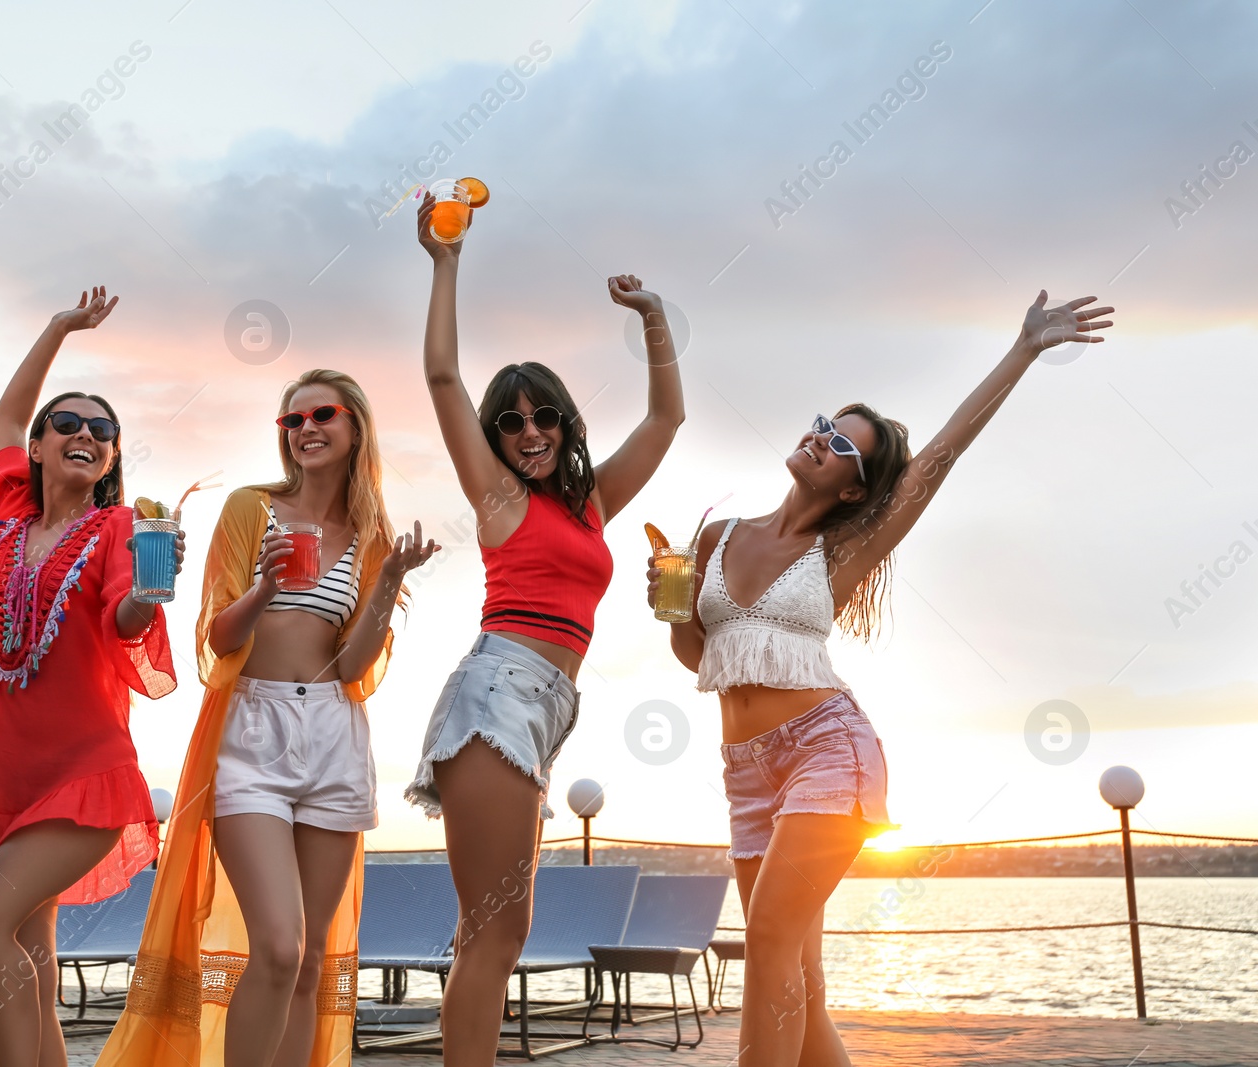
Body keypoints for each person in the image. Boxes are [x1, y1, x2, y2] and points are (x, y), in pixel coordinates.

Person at [653, 292, 1114, 1066]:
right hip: (745, 773)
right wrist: (671, 608)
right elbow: (702, 660)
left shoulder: (842, 553)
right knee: (798, 978)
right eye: (824, 425)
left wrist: (1024, 350)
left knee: (767, 942)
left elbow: (937, 460)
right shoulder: (715, 534)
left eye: (842, 445)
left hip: (826, 752)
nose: (821, 438)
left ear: (856, 490)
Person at [404, 192, 685, 1065]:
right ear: (497, 436)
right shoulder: (500, 498)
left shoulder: (591, 504)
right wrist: (446, 264)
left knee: (497, 929)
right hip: (499, 691)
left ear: (566, 425)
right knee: (493, 931)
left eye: (544, 416)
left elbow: (667, 419)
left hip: (547, 704)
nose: (529, 431)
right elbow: (444, 380)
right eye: (512, 421)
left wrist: (652, 321)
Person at [98, 369, 436, 1067]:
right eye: (292, 420)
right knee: (277, 944)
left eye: (322, 415)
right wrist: (268, 587)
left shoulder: (372, 536)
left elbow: (353, 668)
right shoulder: (252, 508)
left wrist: (391, 582)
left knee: (310, 957)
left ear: (355, 428)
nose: (306, 428)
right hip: (253, 731)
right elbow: (218, 637)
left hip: (334, 734)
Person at [0, 286, 181, 1066]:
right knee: (30, 958)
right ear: (39, 449)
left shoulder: (114, 529)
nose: (84, 433)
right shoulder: (7, 515)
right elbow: (9, 414)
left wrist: (147, 593)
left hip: (83, 776)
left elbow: (123, 623)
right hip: (0, 772)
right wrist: (59, 328)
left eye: (102, 431)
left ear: (110, 458)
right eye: (67, 423)